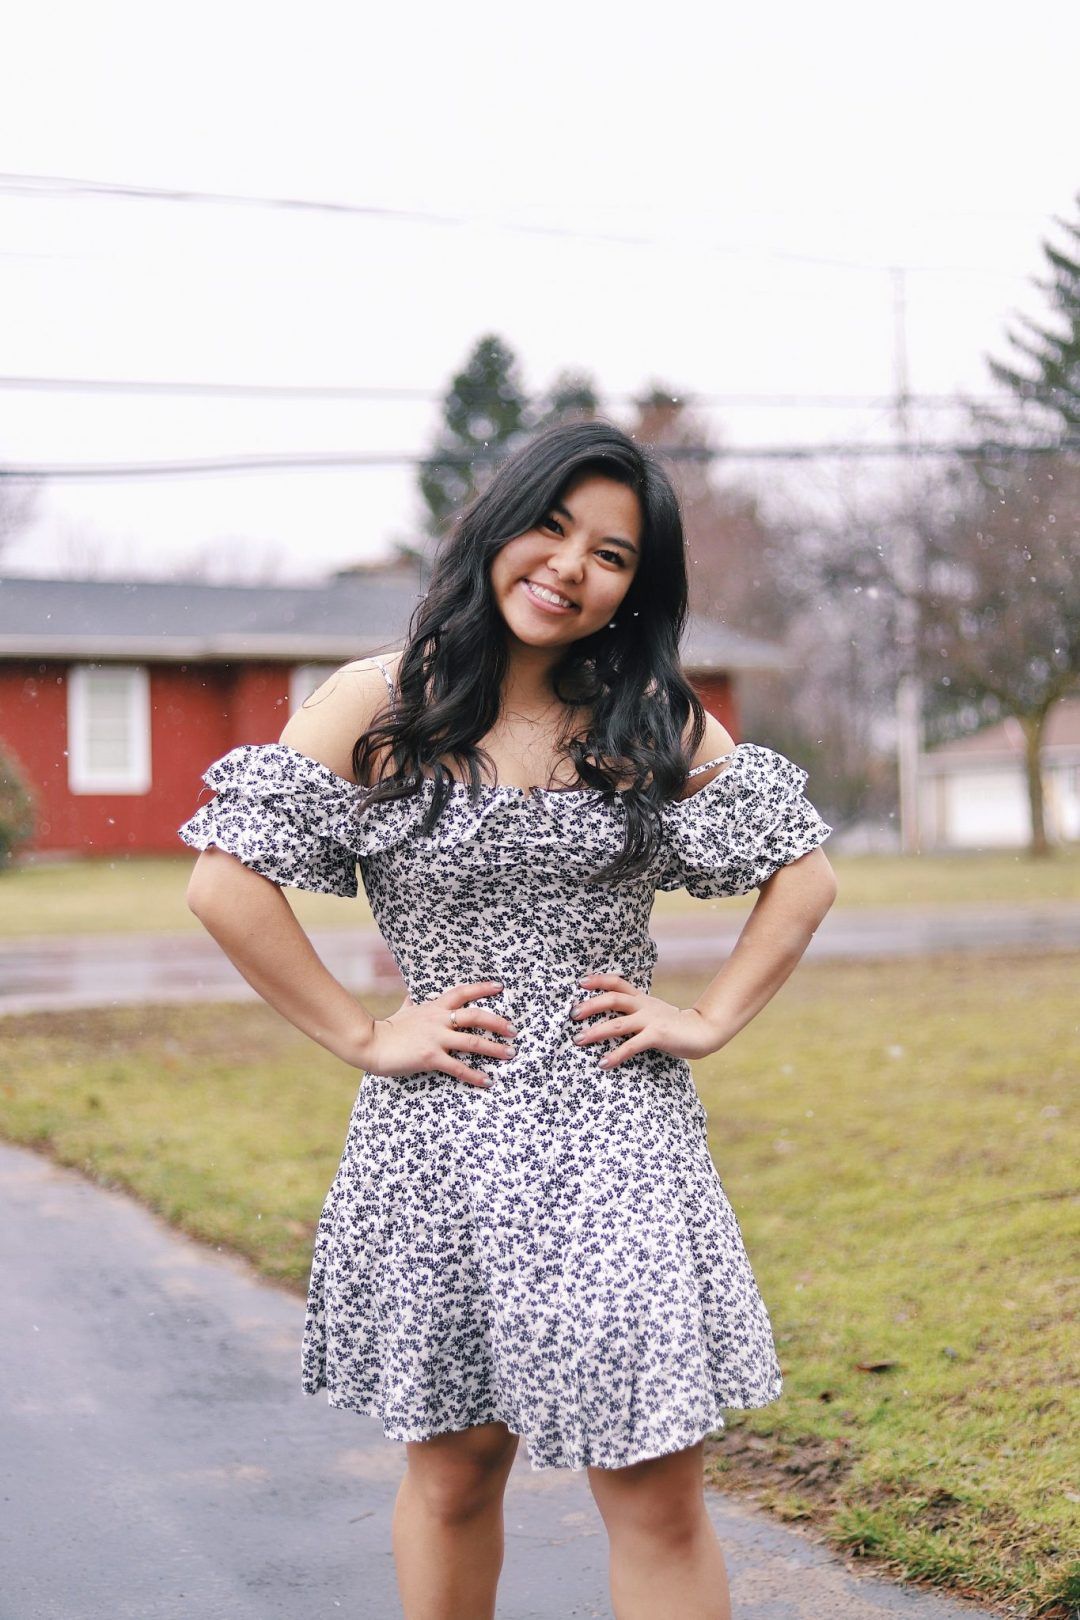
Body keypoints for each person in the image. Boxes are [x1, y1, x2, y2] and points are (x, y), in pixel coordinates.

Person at [178, 418, 837, 1620]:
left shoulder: (650, 714)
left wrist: (706, 1018)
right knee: (457, 1472)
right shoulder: (379, 701)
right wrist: (365, 1035)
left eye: (613, 555)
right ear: (497, 527)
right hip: (444, 1130)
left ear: (636, 586)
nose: (571, 567)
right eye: (551, 527)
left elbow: (803, 874)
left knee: (652, 1485)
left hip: (617, 1133)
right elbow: (225, 884)